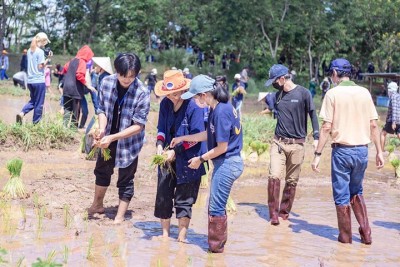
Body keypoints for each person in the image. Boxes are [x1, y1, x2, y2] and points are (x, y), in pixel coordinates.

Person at [311, 58, 384, 244]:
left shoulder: (332, 94)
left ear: (335, 73)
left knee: (341, 195)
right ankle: (366, 234)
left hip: (342, 152)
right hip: (362, 151)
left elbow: (326, 128)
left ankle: (345, 239)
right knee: (357, 191)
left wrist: (317, 155)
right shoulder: (364, 93)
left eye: (331, 73)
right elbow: (374, 125)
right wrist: (380, 151)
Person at [170, 74, 244, 253]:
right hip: (224, 162)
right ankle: (217, 246)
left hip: (228, 162)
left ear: (204, 94)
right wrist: (183, 137)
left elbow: (221, 147)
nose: (195, 101)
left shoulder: (221, 111)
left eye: (195, 97)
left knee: (216, 206)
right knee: (216, 204)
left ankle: (216, 251)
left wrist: (200, 159)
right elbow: (207, 135)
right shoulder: (215, 108)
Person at [88, 53, 150, 224]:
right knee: (102, 170)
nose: (127, 79)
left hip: (129, 141)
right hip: (107, 137)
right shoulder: (106, 82)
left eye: (132, 76)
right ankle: (97, 204)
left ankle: (119, 216)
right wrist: (101, 129)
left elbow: (139, 125)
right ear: (117, 71)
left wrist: (113, 137)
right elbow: (102, 109)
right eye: (123, 75)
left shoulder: (142, 92)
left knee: (126, 178)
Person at [153, 70, 205, 242]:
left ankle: (182, 237)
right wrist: (160, 146)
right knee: (163, 195)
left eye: (175, 93)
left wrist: (176, 152)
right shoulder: (165, 105)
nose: (172, 97)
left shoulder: (194, 106)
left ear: (183, 90)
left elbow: (197, 136)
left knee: (185, 199)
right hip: (167, 156)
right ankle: (165, 235)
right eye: (169, 94)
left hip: (189, 158)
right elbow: (161, 129)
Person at [264, 64, 320, 226]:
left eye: (274, 81)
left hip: (297, 145)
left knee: (292, 181)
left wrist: (316, 136)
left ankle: (284, 213)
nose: (273, 84)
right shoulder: (277, 96)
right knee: (274, 176)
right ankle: (273, 215)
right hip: (278, 143)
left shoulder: (304, 93)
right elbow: (268, 102)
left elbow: (313, 115)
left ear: (282, 78)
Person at [16, 32, 52, 124]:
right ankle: (36, 123)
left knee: (33, 100)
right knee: (39, 103)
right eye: (45, 42)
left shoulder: (29, 51)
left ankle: (22, 112)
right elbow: (40, 66)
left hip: (30, 81)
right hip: (39, 81)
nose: (45, 45)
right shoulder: (39, 51)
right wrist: (48, 58)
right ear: (43, 41)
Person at [61, 45, 95, 128]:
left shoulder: (72, 60)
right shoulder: (82, 61)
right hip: (75, 89)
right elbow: (79, 75)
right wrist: (88, 85)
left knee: (67, 109)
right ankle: (73, 130)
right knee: (76, 111)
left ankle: (64, 128)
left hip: (66, 88)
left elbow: (64, 69)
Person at [380, 81, 400, 151]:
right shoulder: (398, 96)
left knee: (383, 133)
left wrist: (393, 122)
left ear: (390, 90)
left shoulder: (393, 96)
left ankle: (381, 150)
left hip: (393, 120)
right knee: (399, 134)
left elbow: (394, 108)